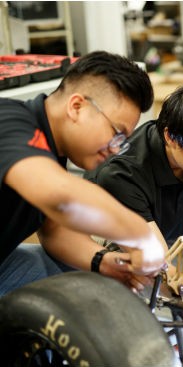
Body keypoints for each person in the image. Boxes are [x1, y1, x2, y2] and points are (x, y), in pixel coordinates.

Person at [43, 81, 183, 362]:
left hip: (171, 238)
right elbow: (163, 270)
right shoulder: (124, 172)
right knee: (169, 314)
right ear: (172, 137)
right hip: (112, 246)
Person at [0, 51, 166, 296]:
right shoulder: (8, 122)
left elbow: (54, 229)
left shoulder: (53, 149)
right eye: (116, 133)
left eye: (123, 141)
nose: (115, 148)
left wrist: (101, 261)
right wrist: (140, 235)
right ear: (77, 106)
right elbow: (60, 199)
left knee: (73, 280)